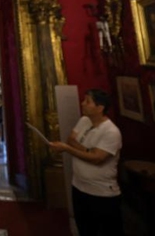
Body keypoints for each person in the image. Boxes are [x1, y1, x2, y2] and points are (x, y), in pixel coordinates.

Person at [49, 89, 123, 236]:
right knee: (85, 229)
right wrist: (88, 151)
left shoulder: (111, 132)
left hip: (101, 193)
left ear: (100, 107)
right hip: (79, 187)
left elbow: (97, 159)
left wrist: (68, 149)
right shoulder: (84, 121)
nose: (83, 103)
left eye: (88, 101)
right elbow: (71, 139)